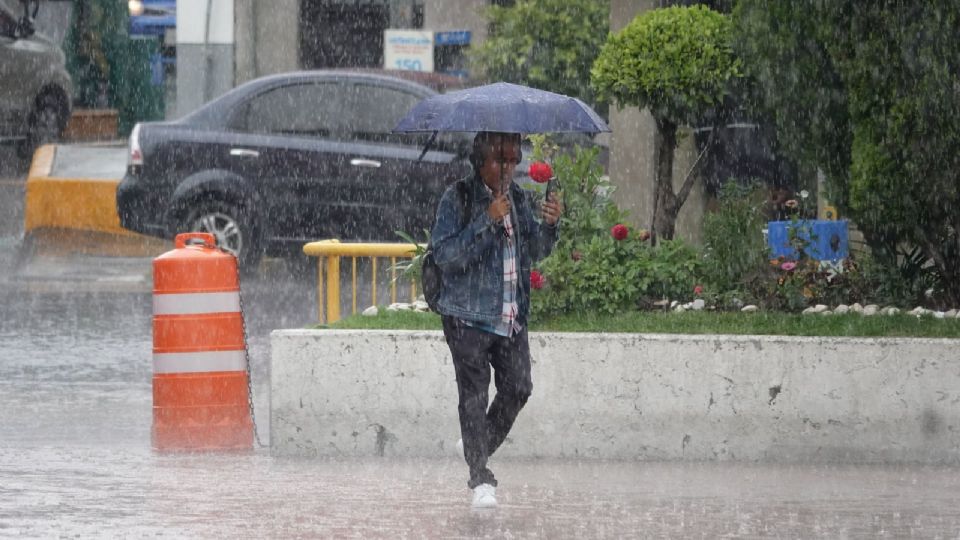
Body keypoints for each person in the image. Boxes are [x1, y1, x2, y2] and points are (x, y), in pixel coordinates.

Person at [430, 131, 563, 508]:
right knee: (473, 397)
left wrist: (550, 225)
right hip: (467, 317)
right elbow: (445, 257)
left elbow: (535, 251)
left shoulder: (518, 198)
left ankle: (478, 445)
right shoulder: (457, 198)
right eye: (499, 159)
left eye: (513, 159)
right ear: (480, 161)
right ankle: (480, 477)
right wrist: (486, 221)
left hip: (510, 316)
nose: (508, 168)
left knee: (519, 388)